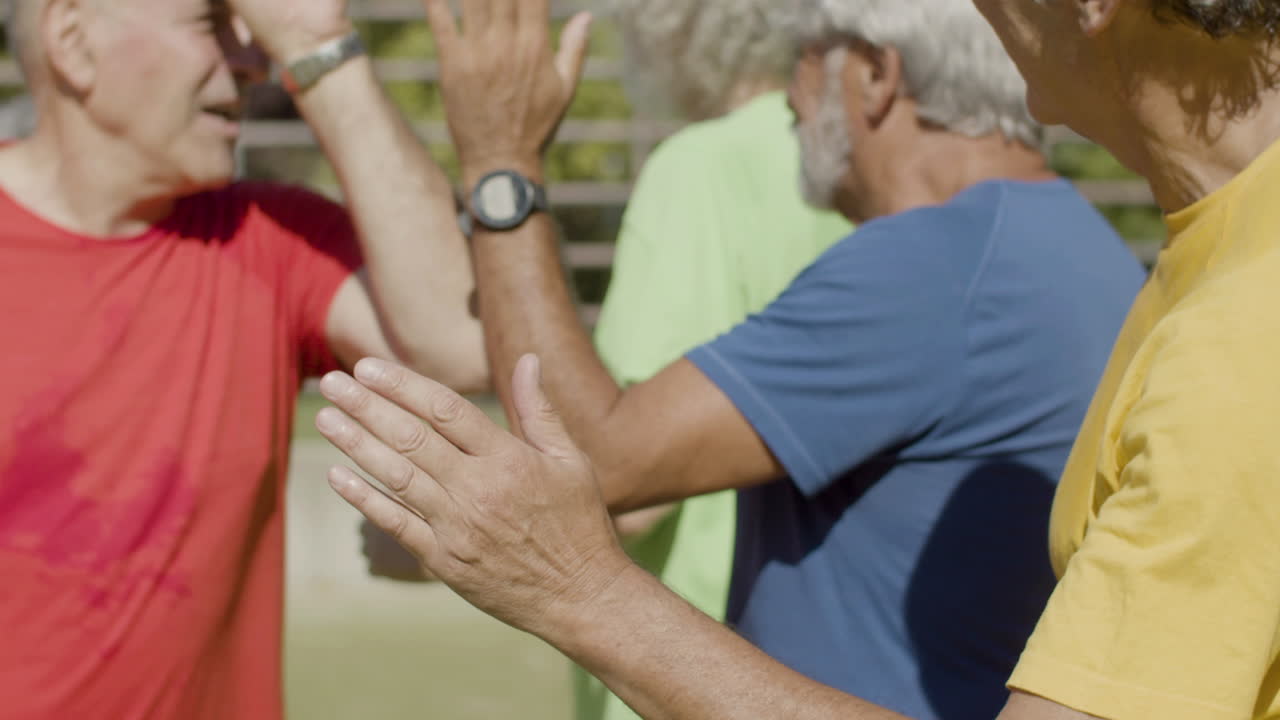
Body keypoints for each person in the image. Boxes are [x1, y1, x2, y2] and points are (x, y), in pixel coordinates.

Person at [325, 0, 1280, 717]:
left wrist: (501, 168)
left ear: (872, 75)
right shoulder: (1125, 242)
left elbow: (600, 457)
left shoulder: (950, 262)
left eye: (802, 60)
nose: (785, 95)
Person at [0, 0, 485, 717]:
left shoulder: (270, 238)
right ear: (72, 41)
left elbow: (462, 346)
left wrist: (324, 53)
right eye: (210, 22)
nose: (255, 58)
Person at [581, 2, 850, 718]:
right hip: (818, 662)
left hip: (682, 661)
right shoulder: (864, 162)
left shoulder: (700, 168)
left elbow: (628, 481)